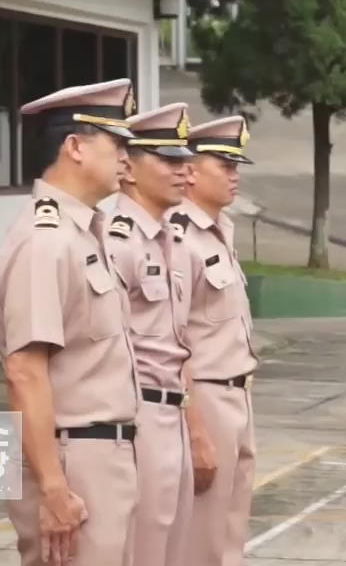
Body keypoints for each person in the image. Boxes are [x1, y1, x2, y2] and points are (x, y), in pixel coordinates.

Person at [0, 78, 142, 566]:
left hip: (101, 455)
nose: (127, 157)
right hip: (70, 460)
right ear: (74, 147)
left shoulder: (84, 233)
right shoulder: (46, 239)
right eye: (117, 143)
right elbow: (23, 372)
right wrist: (54, 490)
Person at [106, 103, 211, 566]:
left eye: (186, 161)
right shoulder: (112, 239)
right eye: (169, 161)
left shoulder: (172, 241)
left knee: (174, 550)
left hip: (172, 412)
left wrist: (193, 425)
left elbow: (177, 345)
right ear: (128, 167)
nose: (184, 172)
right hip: (133, 416)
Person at [171, 116, 258, 566]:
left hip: (236, 393)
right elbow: (175, 342)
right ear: (189, 170)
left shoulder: (222, 230)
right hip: (205, 396)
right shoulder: (177, 238)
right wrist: (196, 428)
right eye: (222, 163)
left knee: (228, 536)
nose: (234, 173)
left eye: (235, 164)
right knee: (199, 542)